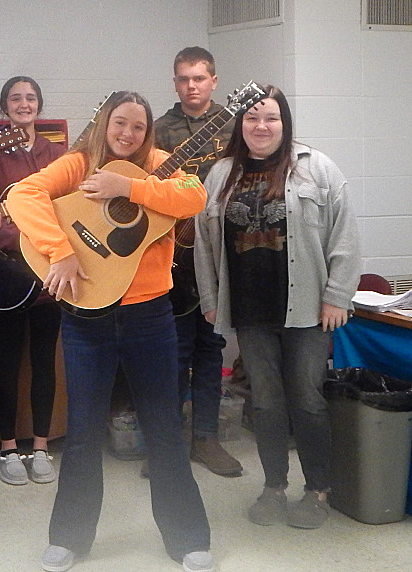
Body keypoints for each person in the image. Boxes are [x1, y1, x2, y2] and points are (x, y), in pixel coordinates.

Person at [7, 91, 214, 572]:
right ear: (104, 123)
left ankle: (187, 538)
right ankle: (70, 538)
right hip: (86, 319)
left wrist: (129, 188)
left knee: (164, 427)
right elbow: (22, 195)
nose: (128, 134)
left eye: (138, 127)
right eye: (120, 123)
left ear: (148, 133)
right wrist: (59, 249)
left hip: (150, 317)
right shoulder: (79, 164)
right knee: (81, 432)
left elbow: (194, 197)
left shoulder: (162, 163)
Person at [194, 85, 361, 529]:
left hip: (308, 309)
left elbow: (343, 234)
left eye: (270, 118)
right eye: (251, 118)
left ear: (284, 123)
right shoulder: (221, 173)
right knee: (266, 403)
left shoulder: (316, 168)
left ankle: (318, 490)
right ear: (240, 124)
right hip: (251, 309)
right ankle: (273, 488)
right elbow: (204, 244)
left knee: (307, 400)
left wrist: (337, 296)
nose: (260, 126)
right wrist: (211, 299)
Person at [0, 76, 64, 485]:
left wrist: (50, 251)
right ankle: (8, 448)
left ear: (39, 105)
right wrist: (22, 244)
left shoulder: (59, 154)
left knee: (44, 359)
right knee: (6, 357)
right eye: (15, 98)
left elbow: (70, 212)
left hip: (53, 276)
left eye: (30, 97)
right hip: (7, 275)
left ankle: (41, 446)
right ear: (4, 107)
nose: (24, 104)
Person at [153, 46, 242, 477]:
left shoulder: (236, 123)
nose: (192, 86)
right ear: (175, 83)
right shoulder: (157, 131)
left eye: (200, 78)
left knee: (210, 347)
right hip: (169, 255)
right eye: (184, 78)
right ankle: (166, 446)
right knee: (171, 350)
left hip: (219, 253)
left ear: (214, 80)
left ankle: (206, 438)